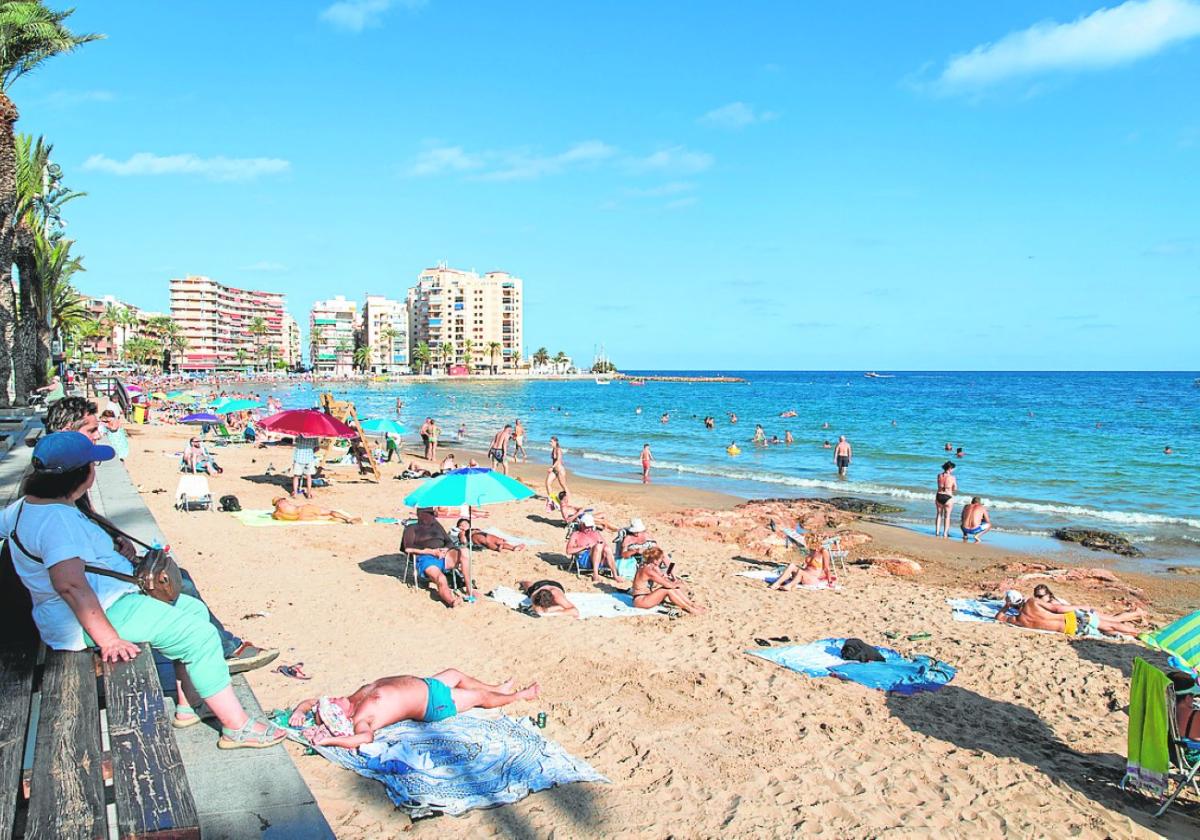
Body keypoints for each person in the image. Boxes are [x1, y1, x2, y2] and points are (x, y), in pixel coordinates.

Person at [3, 432, 286, 749]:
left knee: (193, 611)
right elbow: (68, 584)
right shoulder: (56, 519)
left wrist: (108, 548)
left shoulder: (29, 507)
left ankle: (191, 704)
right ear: (79, 474)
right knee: (198, 635)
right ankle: (238, 727)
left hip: (100, 603)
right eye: (93, 464)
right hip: (87, 618)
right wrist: (108, 639)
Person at [41, 398, 276, 674]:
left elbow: (87, 515)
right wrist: (109, 638)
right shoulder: (58, 482)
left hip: (97, 576)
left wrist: (116, 537)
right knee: (178, 582)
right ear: (69, 430)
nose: (100, 434)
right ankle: (223, 649)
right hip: (94, 599)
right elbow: (68, 579)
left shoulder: (57, 471)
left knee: (180, 576)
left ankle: (221, 647)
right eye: (92, 430)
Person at [288, 671, 541, 747]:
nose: (332, 699)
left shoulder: (351, 700)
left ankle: (498, 686)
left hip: (426, 684)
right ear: (338, 716)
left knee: (455, 673)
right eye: (332, 704)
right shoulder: (361, 718)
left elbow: (311, 702)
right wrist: (328, 742)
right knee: (478, 697)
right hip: (432, 703)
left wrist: (300, 712)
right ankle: (521, 695)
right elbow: (364, 738)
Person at [996, 585, 1147, 636]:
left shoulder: (1018, 621)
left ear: (1010, 604)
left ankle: (1135, 629)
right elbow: (1058, 608)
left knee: (1109, 627)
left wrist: (1006, 607)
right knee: (1110, 625)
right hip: (1073, 617)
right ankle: (1139, 632)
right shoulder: (1032, 602)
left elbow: (999, 617)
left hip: (1072, 629)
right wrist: (1083, 606)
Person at [401, 507, 475, 607]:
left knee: (464, 552)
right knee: (441, 578)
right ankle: (451, 600)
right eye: (428, 514)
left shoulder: (436, 525)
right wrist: (431, 551)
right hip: (426, 558)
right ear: (420, 515)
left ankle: (469, 589)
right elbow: (408, 549)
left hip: (444, 555)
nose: (431, 517)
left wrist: (445, 549)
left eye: (432, 514)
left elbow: (449, 541)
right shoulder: (412, 528)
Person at [630, 547, 704, 614]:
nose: (662, 560)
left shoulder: (648, 565)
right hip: (641, 600)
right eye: (661, 559)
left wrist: (672, 579)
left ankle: (691, 604)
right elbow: (667, 580)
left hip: (645, 596)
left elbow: (669, 567)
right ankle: (689, 608)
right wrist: (675, 582)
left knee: (671, 587)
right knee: (668, 589)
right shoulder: (648, 570)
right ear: (655, 560)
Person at [567, 513, 625, 585]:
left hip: (599, 559)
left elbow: (604, 545)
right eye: (587, 527)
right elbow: (568, 551)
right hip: (584, 560)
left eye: (591, 527)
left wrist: (597, 545)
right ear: (581, 524)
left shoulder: (596, 533)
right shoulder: (576, 534)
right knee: (598, 546)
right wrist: (584, 547)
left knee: (607, 548)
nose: (589, 529)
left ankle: (615, 575)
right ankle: (595, 574)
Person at [769, 533, 835, 590]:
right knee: (792, 565)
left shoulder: (823, 551)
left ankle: (789, 586)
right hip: (803, 574)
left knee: (800, 572)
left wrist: (830, 582)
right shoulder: (812, 550)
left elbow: (826, 568)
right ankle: (777, 583)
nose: (808, 546)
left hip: (812, 579)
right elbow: (807, 565)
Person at [271, 496, 360, 524]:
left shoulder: (277, 513)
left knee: (327, 518)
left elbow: (275, 516)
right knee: (330, 512)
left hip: (301, 518)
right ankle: (348, 519)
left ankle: (344, 521)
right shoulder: (285, 502)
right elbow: (294, 506)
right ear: (281, 500)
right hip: (304, 509)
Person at [454, 518, 525, 552]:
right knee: (486, 541)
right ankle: (497, 548)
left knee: (498, 540)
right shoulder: (462, 532)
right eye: (461, 525)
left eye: (466, 524)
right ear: (459, 527)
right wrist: (463, 537)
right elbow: (463, 540)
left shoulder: (473, 528)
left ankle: (513, 548)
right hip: (474, 536)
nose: (464, 525)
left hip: (483, 533)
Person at [934, 461, 957, 539]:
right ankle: (945, 533)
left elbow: (938, 485)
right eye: (953, 468)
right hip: (948, 496)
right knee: (947, 516)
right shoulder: (952, 477)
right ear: (950, 468)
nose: (953, 470)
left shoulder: (939, 475)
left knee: (939, 514)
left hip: (939, 495)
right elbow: (955, 488)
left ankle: (937, 532)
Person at [545, 436, 569, 502]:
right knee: (548, 483)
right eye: (550, 441)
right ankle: (552, 498)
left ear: (555, 442)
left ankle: (568, 499)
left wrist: (552, 467)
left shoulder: (558, 449)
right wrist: (553, 468)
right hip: (554, 470)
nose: (550, 443)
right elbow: (554, 460)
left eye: (551, 441)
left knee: (563, 485)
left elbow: (558, 460)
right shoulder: (553, 449)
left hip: (560, 470)